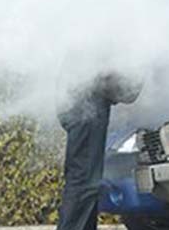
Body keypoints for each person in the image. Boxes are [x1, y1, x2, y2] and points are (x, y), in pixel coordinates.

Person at [56, 72, 143, 230]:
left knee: (86, 181)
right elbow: (106, 80)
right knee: (84, 181)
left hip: (80, 105)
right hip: (85, 108)